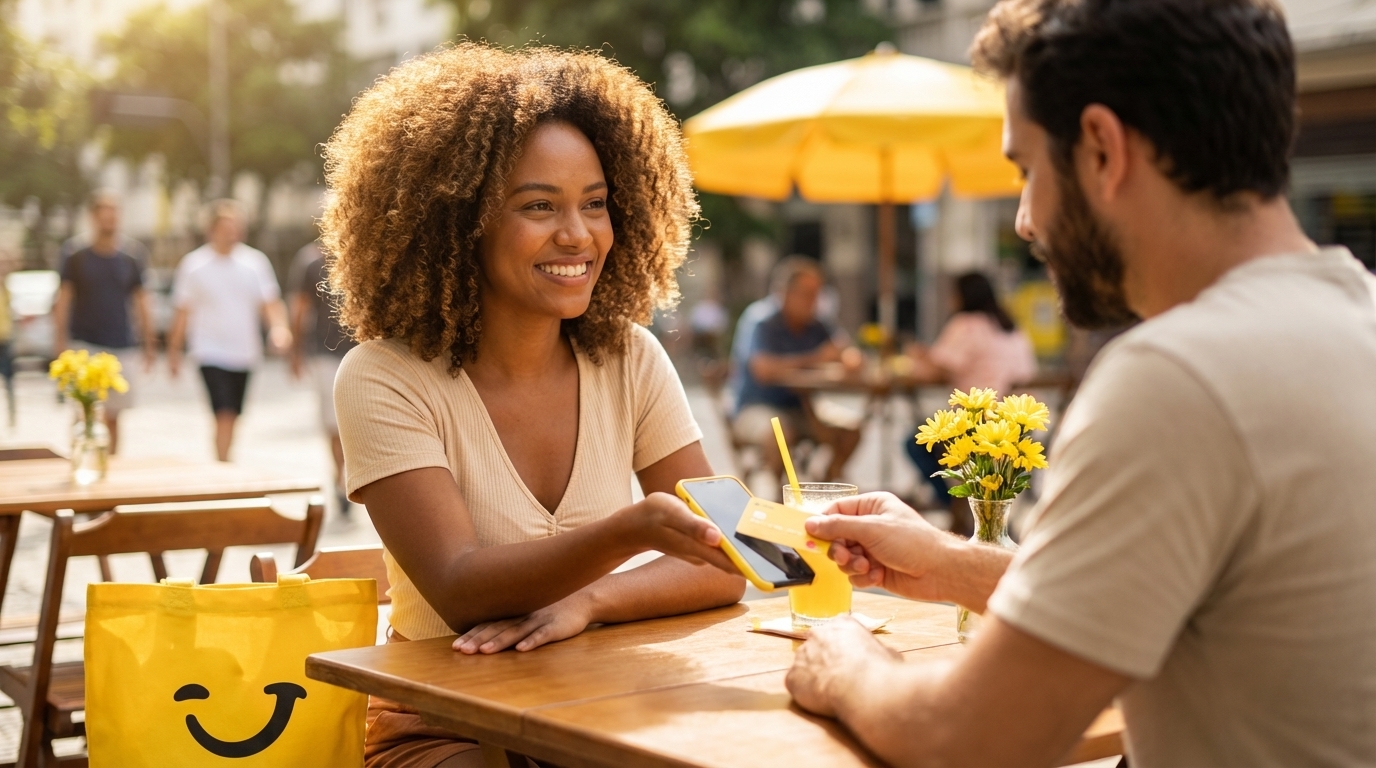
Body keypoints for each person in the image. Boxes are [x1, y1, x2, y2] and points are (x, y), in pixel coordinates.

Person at [785, 1, 1376, 766]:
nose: (1026, 220)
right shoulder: (1350, 314)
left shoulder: (1178, 379)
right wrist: (946, 562)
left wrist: (846, 664)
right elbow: (1194, 604)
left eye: (1027, 168)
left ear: (1101, 148)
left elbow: (965, 739)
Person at [321, 44, 744, 768]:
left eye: (596, 204)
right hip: (448, 728)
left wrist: (590, 602)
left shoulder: (630, 358)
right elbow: (460, 589)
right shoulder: (384, 378)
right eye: (538, 206)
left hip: (602, 711)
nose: (578, 235)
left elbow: (728, 558)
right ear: (459, 221)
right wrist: (628, 532)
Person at [904, 271, 1036, 525]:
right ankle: (979, 511)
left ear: (962, 296)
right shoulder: (1011, 327)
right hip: (1018, 425)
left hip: (978, 423)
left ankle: (958, 507)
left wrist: (918, 357)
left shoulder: (966, 325)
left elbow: (937, 369)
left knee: (916, 444)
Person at [167, 200, 291, 462]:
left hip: (245, 353)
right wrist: (173, 351)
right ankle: (223, 466)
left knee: (232, 415)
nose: (231, 233)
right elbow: (182, 312)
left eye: (235, 227)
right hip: (209, 351)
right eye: (225, 227)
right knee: (223, 413)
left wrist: (279, 330)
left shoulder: (255, 263)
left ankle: (224, 458)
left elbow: (269, 303)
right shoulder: (194, 265)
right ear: (211, 230)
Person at [734, 257, 859, 484]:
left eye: (818, 294)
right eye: (807, 294)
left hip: (804, 408)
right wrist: (816, 358)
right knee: (779, 431)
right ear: (785, 293)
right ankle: (781, 498)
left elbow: (844, 350)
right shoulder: (761, 321)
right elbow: (762, 370)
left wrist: (850, 358)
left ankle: (826, 483)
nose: (814, 301)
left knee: (851, 428)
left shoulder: (817, 323)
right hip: (756, 406)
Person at [52, 190, 156, 453]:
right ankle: (80, 462)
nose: (109, 222)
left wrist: (149, 343)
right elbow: (63, 300)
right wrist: (60, 343)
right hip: (84, 343)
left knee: (114, 415)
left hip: (121, 343)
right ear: (93, 218)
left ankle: (111, 466)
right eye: (104, 217)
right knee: (83, 411)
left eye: (113, 216)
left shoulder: (132, 256)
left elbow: (141, 301)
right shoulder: (75, 255)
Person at [288, 238, 355, 516]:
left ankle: (352, 478)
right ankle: (341, 479)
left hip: (363, 351)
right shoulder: (311, 262)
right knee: (334, 424)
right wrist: (295, 351)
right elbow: (300, 309)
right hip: (325, 354)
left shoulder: (366, 254)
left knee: (356, 424)